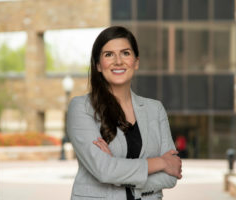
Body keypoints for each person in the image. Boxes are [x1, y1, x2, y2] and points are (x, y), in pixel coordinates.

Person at [67, 26, 182, 200]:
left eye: (125, 53)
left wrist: (117, 170)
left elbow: (171, 174)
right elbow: (103, 171)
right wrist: (160, 163)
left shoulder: (155, 109)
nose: (118, 61)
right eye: (109, 54)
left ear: (136, 62)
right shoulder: (81, 108)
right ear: (98, 65)